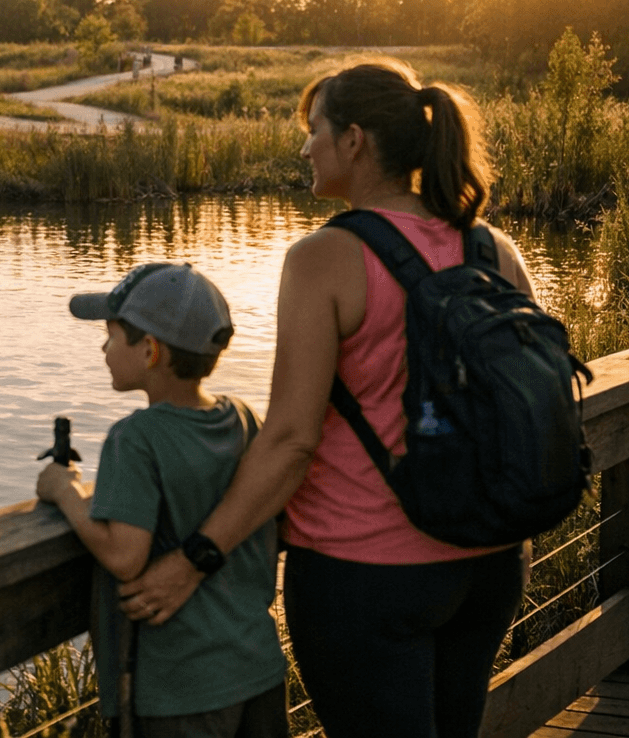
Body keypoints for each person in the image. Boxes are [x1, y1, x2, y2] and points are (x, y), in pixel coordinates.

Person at [116, 59, 534, 738]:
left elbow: (290, 440)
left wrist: (193, 560)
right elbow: (528, 408)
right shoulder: (494, 251)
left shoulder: (325, 258)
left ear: (354, 141)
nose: (306, 147)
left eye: (315, 130)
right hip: (489, 565)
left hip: (367, 573)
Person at [36, 263, 287, 738]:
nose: (103, 349)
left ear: (150, 351)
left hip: (180, 688)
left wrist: (64, 491)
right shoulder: (243, 417)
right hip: (258, 668)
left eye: (111, 337)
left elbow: (125, 556)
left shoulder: (135, 439)